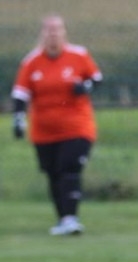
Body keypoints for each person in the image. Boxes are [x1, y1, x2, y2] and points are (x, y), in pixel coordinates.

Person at [11, 14, 102, 237]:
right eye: (49, 30)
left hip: (76, 126)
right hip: (44, 131)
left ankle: (71, 219)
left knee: (69, 167)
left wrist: (85, 87)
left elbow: (97, 79)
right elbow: (21, 93)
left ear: (64, 32)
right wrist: (19, 120)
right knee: (53, 173)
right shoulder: (32, 61)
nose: (53, 34)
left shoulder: (79, 55)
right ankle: (63, 219)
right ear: (42, 34)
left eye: (57, 29)